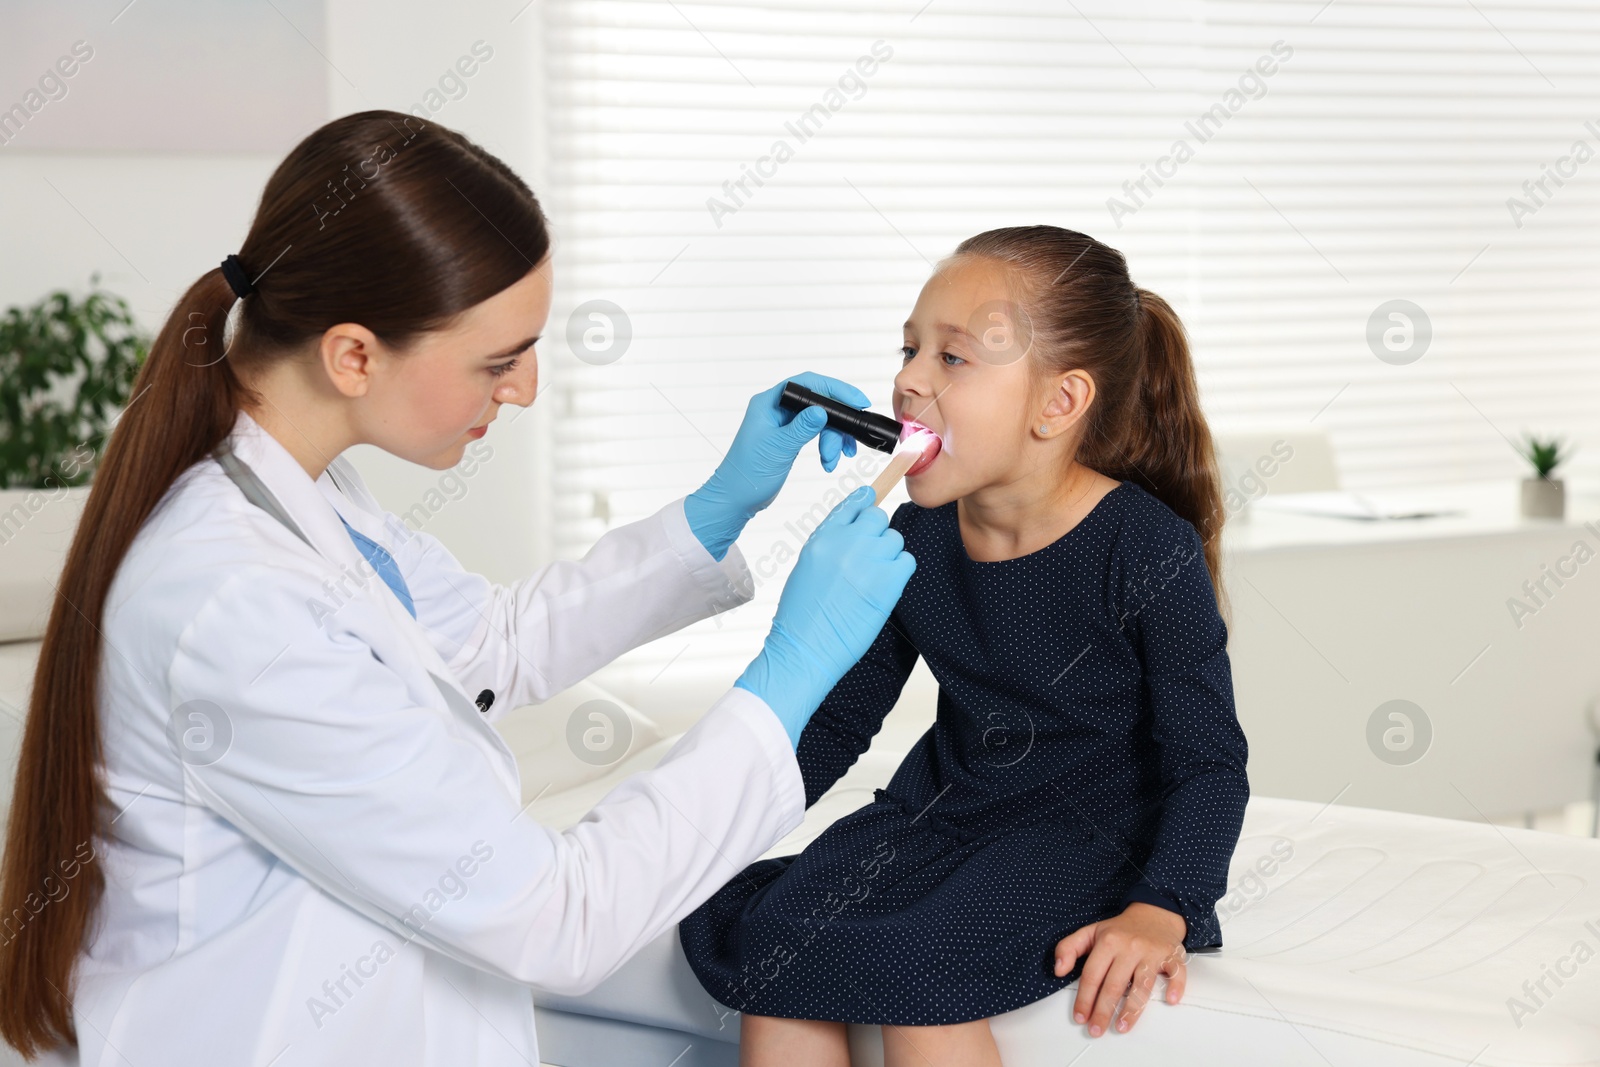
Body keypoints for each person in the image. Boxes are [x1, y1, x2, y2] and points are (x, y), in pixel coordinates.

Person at [0, 110, 914, 1067]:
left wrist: (716, 512)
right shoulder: (231, 602)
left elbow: (489, 643)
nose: (521, 389)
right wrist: (789, 673)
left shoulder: (299, 493)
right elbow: (556, 915)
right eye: (497, 360)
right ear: (353, 354)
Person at [679, 225, 1250, 1064]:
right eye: (909, 349)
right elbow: (836, 728)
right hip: (946, 813)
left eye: (952, 359)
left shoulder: (1143, 545)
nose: (907, 380)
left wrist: (1160, 906)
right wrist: (696, 830)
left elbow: (1209, 759)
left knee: (916, 967)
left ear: (1058, 405)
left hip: (1088, 831)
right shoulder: (920, 535)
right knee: (775, 939)